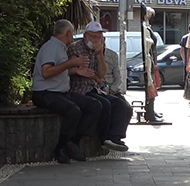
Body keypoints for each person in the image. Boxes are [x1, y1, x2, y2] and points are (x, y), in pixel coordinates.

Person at [31, 19, 102, 164]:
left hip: (61, 91)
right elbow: (46, 72)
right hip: (45, 92)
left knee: (94, 105)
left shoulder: (61, 47)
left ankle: (73, 143)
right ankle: (60, 148)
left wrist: (75, 70)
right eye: (72, 34)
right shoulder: (51, 47)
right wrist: (71, 63)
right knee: (73, 111)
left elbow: (61, 70)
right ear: (68, 33)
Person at [68, 22, 129, 152]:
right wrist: (97, 77)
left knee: (119, 104)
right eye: (93, 37)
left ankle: (114, 137)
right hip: (80, 88)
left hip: (94, 87)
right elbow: (88, 73)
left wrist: (100, 55)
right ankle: (103, 138)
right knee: (103, 104)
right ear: (85, 36)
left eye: (99, 37)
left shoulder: (98, 51)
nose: (96, 40)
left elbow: (102, 74)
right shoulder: (76, 48)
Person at [103, 46, 134, 126]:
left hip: (112, 89)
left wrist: (112, 89)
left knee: (126, 108)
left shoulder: (112, 55)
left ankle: (117, 135)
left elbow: (118, 78)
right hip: (99, 89)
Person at [142, 6, 163, 122]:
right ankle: (150, 112)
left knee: (152, 85)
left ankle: (151, 110)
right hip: (149, 59)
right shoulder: (145, 28)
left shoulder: (147, 27)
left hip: (151, 59)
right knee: (150, 84)